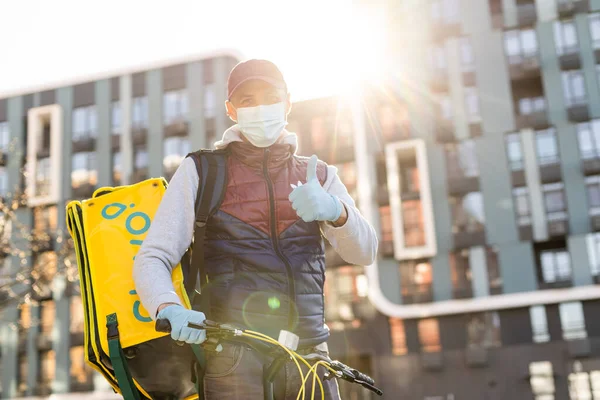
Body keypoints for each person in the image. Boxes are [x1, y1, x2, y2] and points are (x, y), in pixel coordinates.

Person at [133, 59, 378, 399]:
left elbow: (364, 252)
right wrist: (167, 307)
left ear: (287, 103)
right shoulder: (201, 171)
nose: (260, 107)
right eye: (247, 100)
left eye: (270, 95)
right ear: (231, 110)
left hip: (310, 359)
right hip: (233, 358)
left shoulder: (319, 175)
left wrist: (336, 211)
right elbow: (153, 256)